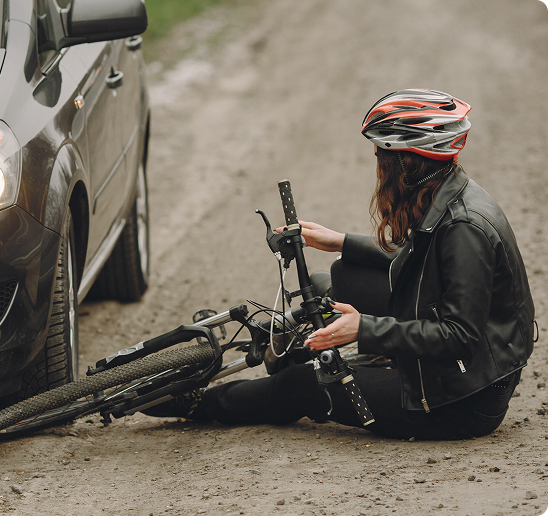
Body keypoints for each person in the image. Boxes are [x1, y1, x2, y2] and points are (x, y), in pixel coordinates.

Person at [144, 89, 535, 440]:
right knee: (337, 279)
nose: (378, 164)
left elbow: (459, 337)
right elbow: (420, 261)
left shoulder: (465, 228)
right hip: (459, 367)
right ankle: (302, 352)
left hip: (460, 399)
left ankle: (203, 403)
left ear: (408, 163)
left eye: (382, 155)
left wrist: (364, 329)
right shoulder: (445, 192)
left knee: (304, 383)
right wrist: (340, 242)